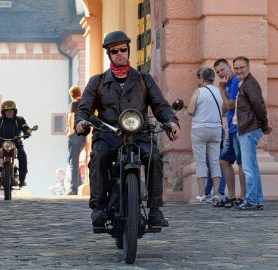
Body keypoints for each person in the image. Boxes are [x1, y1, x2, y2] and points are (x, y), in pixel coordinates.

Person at [75, 31, 180, 229]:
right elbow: (84, 109)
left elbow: (161, 106)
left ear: (128, 50)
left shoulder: (144, 80)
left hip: (138, 134)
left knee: (154, 156)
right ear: (109, 55)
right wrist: (81, 122)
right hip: (108, 134)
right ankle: (98, 208)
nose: (120, 54)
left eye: (123, 49)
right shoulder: (97, 82)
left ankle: (155, 209)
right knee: (98, 156)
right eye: (115, 51)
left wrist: (172, 121)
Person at [232, 56, 272, 210]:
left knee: (248, 168)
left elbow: (259, 105)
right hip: (246, 128)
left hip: (249, 129)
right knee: (252, 167)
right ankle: (257, 200)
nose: (239, 70)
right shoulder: (244, 84)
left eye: (241, 67)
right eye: (236, 68)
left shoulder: (250, 84)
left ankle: (251, 201)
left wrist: (265, 124)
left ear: (248, 67)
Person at [212, 58, 245, 208]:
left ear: (229, 67)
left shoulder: (234, 82)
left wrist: (221, 90)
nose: (220, 73)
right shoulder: (227, 84)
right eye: (217, 71)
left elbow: (231, 105)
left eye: (222, 69)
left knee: (241, 163)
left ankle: (243, 197)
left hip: (239, 128)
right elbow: (224, 108)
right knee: (224, 161)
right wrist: (224, 96)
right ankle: (231, 196)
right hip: (231, 129)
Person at [187, 68, 223, 203]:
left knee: (201, 161)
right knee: (215, 161)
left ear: (202, 78)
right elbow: (223, 110)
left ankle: (201, 195)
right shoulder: (219, 92)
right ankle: (216, 195)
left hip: (200, 129)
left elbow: (190, 110)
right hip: (216, 129)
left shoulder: (199, 91)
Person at [0, 100, 33, 188]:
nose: (9, 113)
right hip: (1, 140)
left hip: (16, 140)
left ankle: (22, 179)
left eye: (11, 111)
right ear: (3, 112)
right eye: (7, 111)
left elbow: (26, 127)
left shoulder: (20, 120)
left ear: (15, 111)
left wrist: (28, 132)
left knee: (23, 156)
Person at [66, 85, 86, 195]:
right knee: (73, 160)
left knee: (73, 161)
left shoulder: (73, 104)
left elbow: (71, 116)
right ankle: (78, 183)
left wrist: (70, 130)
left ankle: (74, 188)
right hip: (84, 136)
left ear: (71, 95)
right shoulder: (85, 103)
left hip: (75, 135)